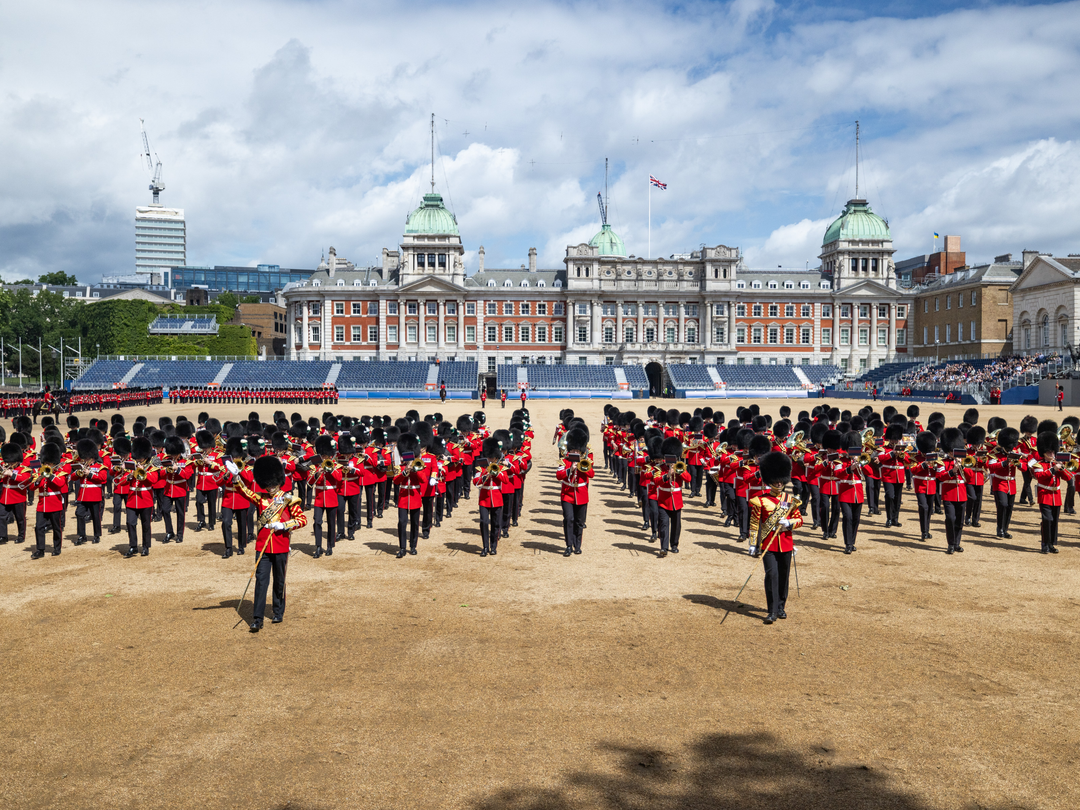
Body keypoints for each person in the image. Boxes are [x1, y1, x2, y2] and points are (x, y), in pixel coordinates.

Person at [228, 456, 306, 632]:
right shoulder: (261, 499)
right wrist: (236, 477)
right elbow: (244, 492)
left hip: (281, 545)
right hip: (262, 547)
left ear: (278, 481)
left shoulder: (289, 499)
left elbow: (302, 519)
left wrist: (283, 525)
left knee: (279, 581)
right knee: (261, 581)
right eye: (268, 484)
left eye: (273, 484)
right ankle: (257, 618)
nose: (271, 487)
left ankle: (278, 611)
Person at [749, 451, 804, 625]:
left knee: (783, 576)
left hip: (786, 544)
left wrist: (789, 523)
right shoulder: (760, 500)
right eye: (775, 480)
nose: (778, 483)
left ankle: (781, 606)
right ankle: (771, 610)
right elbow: (754, 524)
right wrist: (752, 544)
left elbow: (800, 520)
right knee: (771, 575)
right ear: (769, 480)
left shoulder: (790, 500)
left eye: (781, 480)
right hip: (768, 545)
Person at [1030, 430, 1071, 554]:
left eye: (1053, 451)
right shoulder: (1039, 465)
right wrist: (1053, 469)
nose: (1052, 454)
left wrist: (1061, 468)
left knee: (1054, 521)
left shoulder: (1056, 464)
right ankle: (1044, 544)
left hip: (1056, 497)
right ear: (1044, 453)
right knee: (1047, 519)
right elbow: (1040, 476)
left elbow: (1068, 477)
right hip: (1045, 495)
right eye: (1049, 452)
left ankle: (1052, 544)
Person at [555, 427, 593, 556]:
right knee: (568, 519)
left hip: (581, 494)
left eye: (577, 450)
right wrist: (570, 469)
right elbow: (559, 475)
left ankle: (578, 545)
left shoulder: (585, 461)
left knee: (579, 522)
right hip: (567, 494)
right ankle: (568, 545)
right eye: (573, 450)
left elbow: (592, 474)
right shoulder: (565, 461)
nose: (575, 452)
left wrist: (582, 467)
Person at [31, 442, 67, 559]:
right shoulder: (39, 473)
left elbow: (61, 484)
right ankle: (40, 549)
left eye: (49, 463)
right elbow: (32, 487)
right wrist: (39, 478)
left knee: (56, 527)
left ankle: (57, 548)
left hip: (54, 503)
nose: (47, 464)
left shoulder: (59, 473)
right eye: (45, 462)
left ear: (54, 463)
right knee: (39, 527)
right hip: (42, 504)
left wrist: (50, 475)